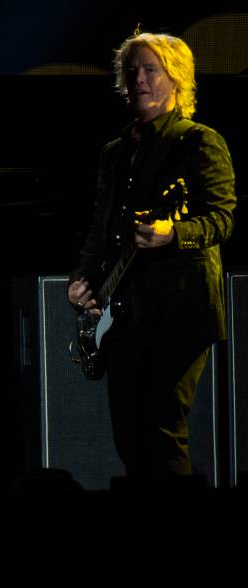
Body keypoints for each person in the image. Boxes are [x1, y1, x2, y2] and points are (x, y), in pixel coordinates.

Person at [67, 32, 236, 480]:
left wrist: (173, 233)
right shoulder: (115, 152)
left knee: (163, 432)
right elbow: (100, 229)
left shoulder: (199, 142)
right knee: (130, 437)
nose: (139, 79)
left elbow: (222, 219)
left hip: (182, 308)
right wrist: (84, 277)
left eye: (151, 70)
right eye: (133, 71)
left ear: (176, 79)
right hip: (125, 313)